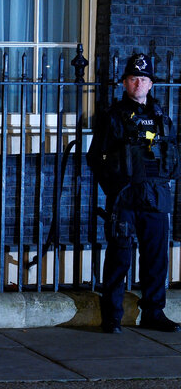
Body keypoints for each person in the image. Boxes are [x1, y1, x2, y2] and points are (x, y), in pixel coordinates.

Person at [88, 52, 180, 334]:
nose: (138, 83)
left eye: (143, 78)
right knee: (119, 258)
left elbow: (172, 157)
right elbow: (95, 159)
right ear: (124, 83)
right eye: (133, 79)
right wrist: (115, 191)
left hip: (156, 196)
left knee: (156, 260)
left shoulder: (162, 118)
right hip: (125, 198)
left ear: (151, 84)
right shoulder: (112, 117)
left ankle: (154, 313)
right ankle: (112, 317)